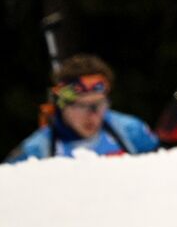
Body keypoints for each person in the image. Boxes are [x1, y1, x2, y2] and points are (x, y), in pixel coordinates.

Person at [7, 54, 158, 162]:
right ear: (61, 106)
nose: (92, 115)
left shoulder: (130, 129)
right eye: (81, 106)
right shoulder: (38, 148)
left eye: (98, 104)